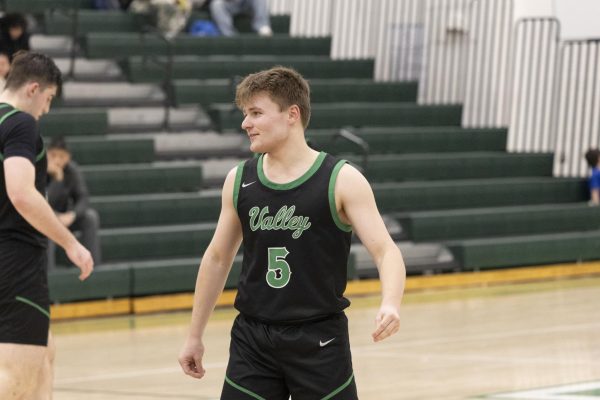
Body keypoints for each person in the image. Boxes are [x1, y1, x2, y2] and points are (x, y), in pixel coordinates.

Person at [179, 67, 406, 399]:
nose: (246, 123)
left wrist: (391, 303)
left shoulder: (341, 179)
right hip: (253, 338)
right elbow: (217, 257)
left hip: (319, 339)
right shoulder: (239, 179)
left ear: (292, 115)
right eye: (245, 114)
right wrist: (194, 335)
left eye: (256, 113)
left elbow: (386, 251)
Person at [0, 51, 94, 400]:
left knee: (43, 356)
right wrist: (70, 242)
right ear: (33, 88)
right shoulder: (20, 123)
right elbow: (22, 194)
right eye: (48, 99)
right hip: (15, 261)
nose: (47, 109)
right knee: (16, 378)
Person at [47, 136, 102, 270]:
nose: (57, 160)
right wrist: (58, 179)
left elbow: (83, 197)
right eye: (53, 155)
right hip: (45, 217)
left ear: (68, 157)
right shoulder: (39, 169)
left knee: (90, 218)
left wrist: (73, 215)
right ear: (47, 154)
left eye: (62, 156)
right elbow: (45, 202)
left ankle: (92, 267)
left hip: (64, 218)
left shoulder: (72, 171)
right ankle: (49, 273)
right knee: (46, 226)